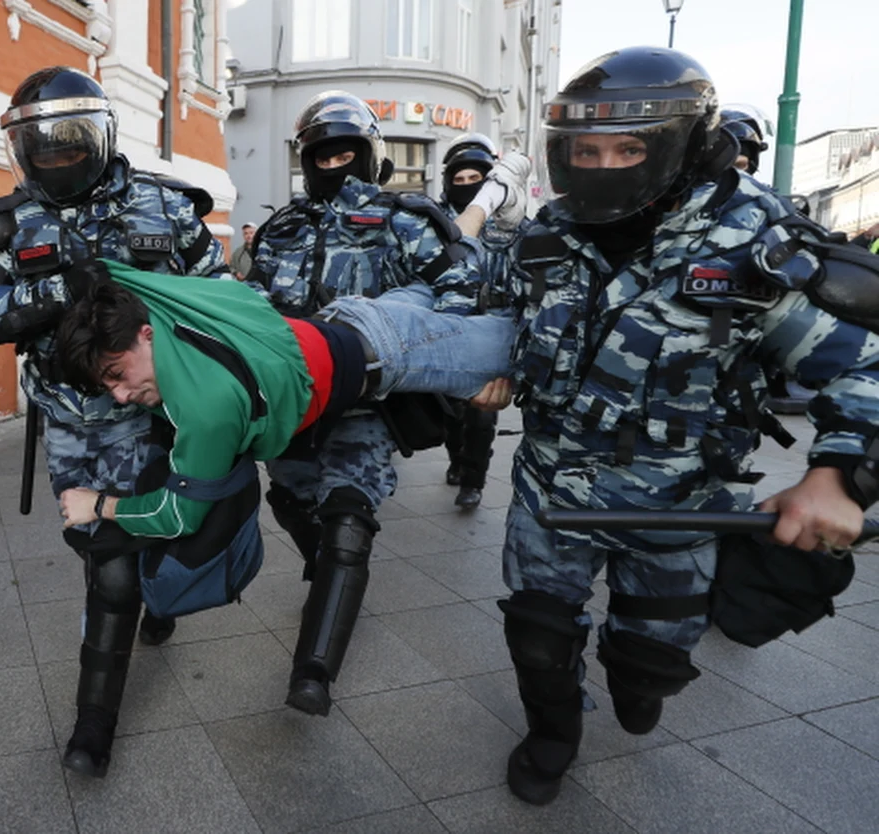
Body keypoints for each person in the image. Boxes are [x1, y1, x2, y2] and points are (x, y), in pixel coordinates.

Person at [483, 47, 879, 807]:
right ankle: (552, 732)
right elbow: (495, 316)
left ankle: (638, 676)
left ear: (681, 145)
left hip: (679, 503)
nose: (602, 167)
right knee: (536, 632)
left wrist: (835, 476)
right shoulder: (547, 235)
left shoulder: (754, 244)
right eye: (585, 150)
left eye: (628, 148)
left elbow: (864, 366)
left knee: (649, 665)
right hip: (551, 487)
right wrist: (489, 370)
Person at [0, 66, 227, 779]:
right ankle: (145, 591)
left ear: (98, 137)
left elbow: (222, 296)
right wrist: (59, 286)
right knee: (99, 549)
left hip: (150, 416)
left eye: (69, 140)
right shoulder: (3, 226)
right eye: (40, 143)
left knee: (116, 568)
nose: (56, 155)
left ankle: (92, 729)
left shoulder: (166, 209)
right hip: (70, 423)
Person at [244, 90, 526, 717]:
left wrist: (458, 367)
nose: (334, 164)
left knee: (350, 512)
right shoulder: (280, 229)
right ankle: (325, 568)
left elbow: (456, 291)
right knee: (290, 497)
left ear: (370, 155)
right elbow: (252, 306)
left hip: (369, 399)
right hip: (293, 396)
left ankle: (313, 671)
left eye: (346, 151)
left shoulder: (406, 219)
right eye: (322, 154)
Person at [53, 261, 515, 535]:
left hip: (394, 351)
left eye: (117, 373)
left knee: (529, 346)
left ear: (146, 335)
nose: (120, 395)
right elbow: (102, 273)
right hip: (351, 315)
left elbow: (177, 515)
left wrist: (97, 505)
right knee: (431, 281)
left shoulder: (206, 409)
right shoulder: (154, 298)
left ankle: (498, 196)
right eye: (105, 386)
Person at [437, 132, 506, 509]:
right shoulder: (435, 221)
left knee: (482, 413)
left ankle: (473, 481)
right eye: (459, 180)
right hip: (449, 328)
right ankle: (455, 460)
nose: (466, 186)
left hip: (491, 326)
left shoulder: (509, 221)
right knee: (451, 410)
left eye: (474, 179)